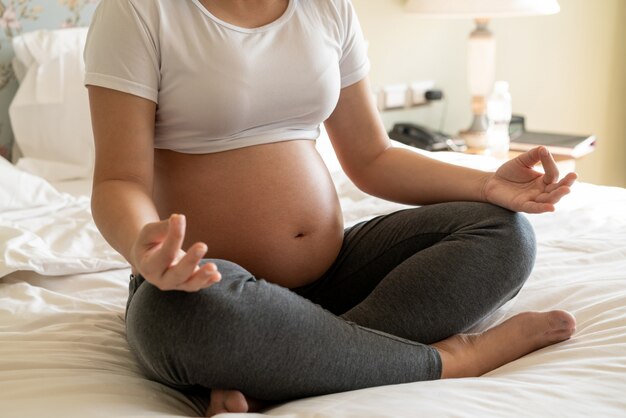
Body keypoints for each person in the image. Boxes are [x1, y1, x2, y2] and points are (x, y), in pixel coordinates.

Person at [84, 0, 577, 416]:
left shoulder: (326, 6)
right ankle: (451, 361)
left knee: (501, 233)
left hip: (335, 276)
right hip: (201, 284)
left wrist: (489, 183)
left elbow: (373, 157)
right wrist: (142, 244)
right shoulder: (139, 11)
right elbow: (118, 180)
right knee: (181, 321)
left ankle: (283, 366)